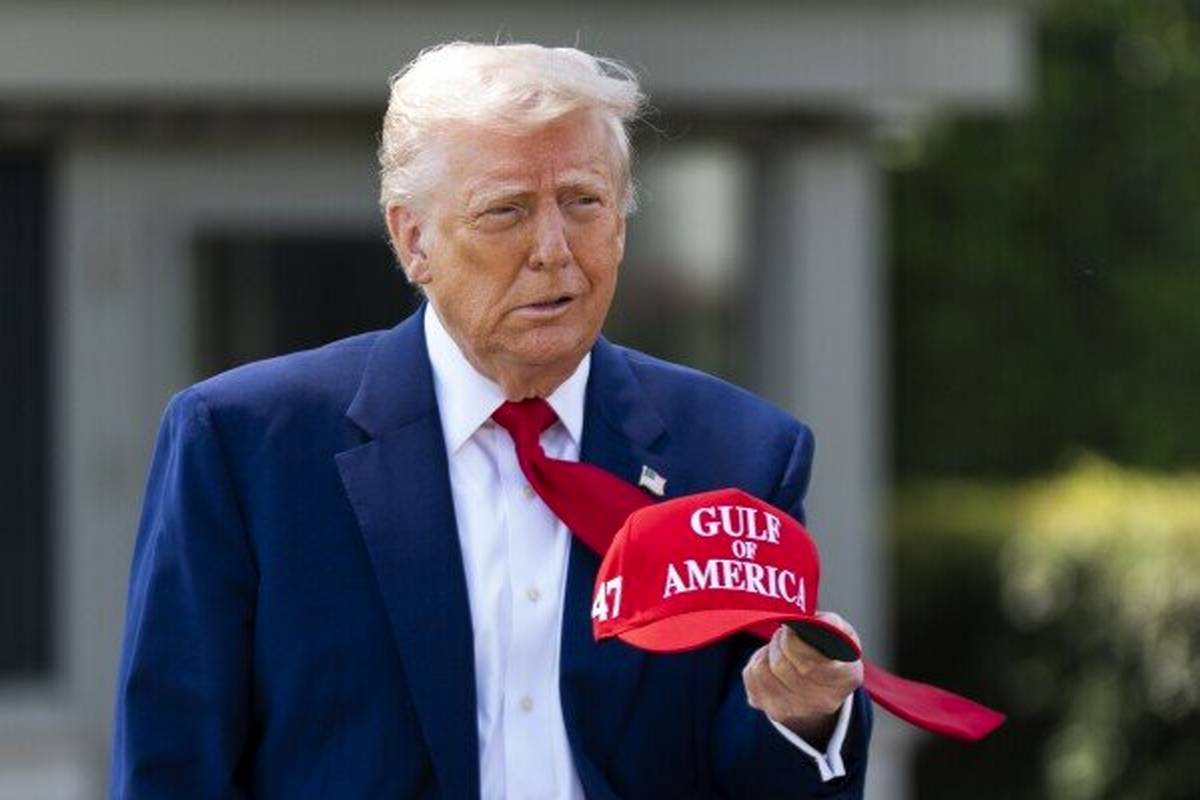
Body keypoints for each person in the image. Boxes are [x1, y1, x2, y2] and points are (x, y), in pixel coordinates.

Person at [109, 42, 872, 799]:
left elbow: (757, 768)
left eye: (584, 202)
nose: (553, 250)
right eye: (506, 211)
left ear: (621, 222)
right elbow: (172, 761)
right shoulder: (249, 444)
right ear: (413, 239)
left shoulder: (738, 451)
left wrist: (802, 716)